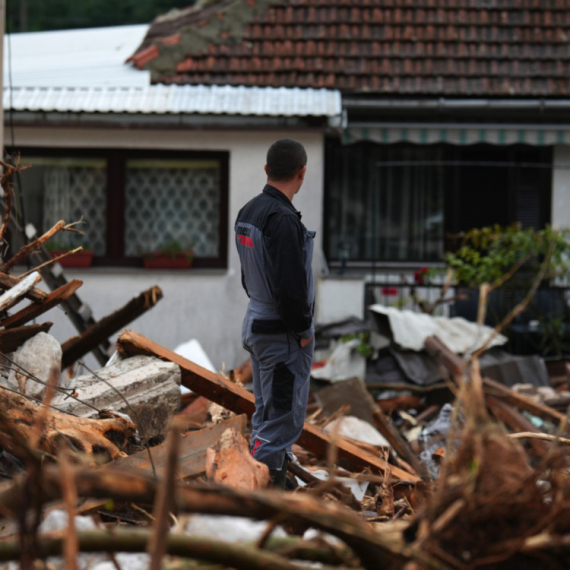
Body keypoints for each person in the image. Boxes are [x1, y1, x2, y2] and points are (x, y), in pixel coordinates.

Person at [235, 138, 315, 488]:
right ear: (302, 172)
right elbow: (289, 286)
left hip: (258, 322)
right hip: (281, 335)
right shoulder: (282, 219)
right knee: (281, 421)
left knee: (266, 414)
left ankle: (273, 483)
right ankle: (258, 502)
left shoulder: (249, 211)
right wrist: (303, 330)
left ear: (267, 170)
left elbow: (248, 275)